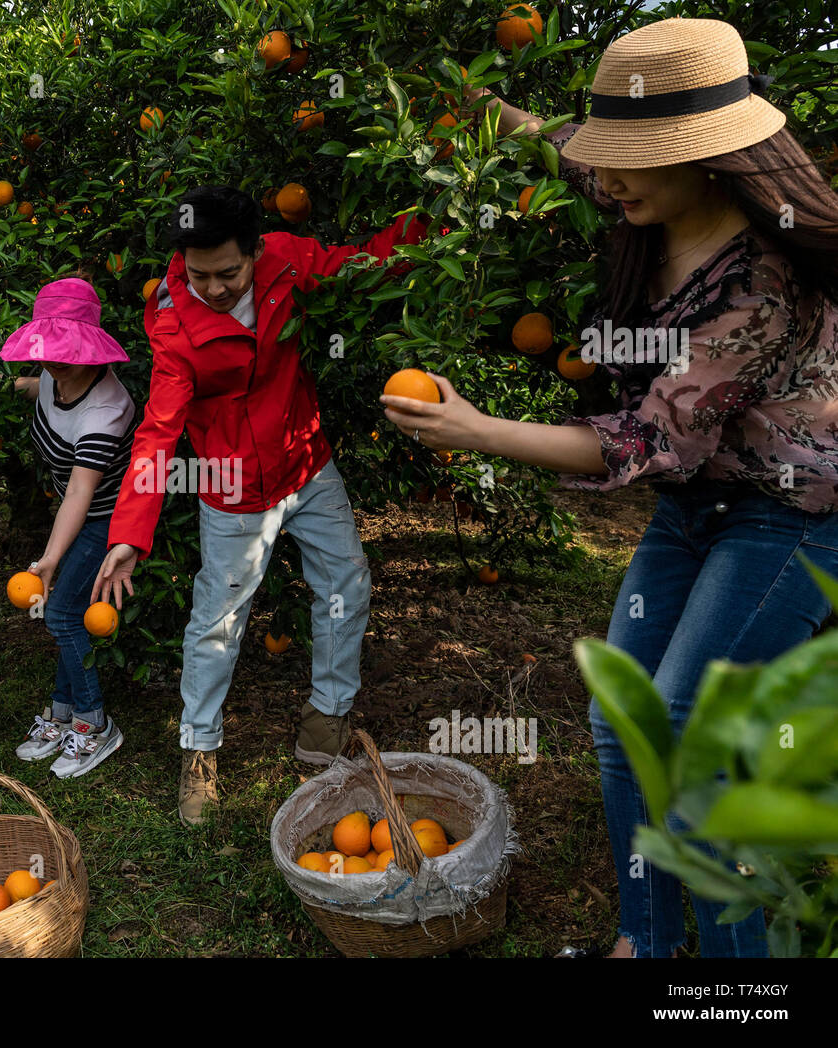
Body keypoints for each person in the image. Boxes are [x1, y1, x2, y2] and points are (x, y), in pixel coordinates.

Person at [382, 18, 838, 957]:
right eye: (611, 157)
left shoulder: (761, 281)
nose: (610, 174)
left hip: (790, 515)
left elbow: (645, 441)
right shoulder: (642, 194)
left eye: (634, 157)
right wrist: (469, 108)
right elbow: (555, 140)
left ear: (708, 160)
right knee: (617, 715)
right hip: (697, 506)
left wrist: (476, 433)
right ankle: (645, 938)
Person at [91, 185, 427, 825]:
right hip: (232, 486)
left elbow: (365, 262)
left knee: (347, 584)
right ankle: (199, 750)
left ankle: (326, 720)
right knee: (218, 620)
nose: (212, 288)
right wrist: (129, 534)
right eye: (197, 275)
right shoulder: (173, 323)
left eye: (227, 273)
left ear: (256, 252)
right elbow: (158, 433)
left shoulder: (288, 264)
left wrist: (445, 210)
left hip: (306, 461)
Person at [1, 277, 136, 778]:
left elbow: (82, 492)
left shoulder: (106, 409)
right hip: (74, 513)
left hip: (106, 518)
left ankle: (95, 723)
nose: (54, 359)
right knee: (66, 613)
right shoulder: (53, 375)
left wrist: (51, 558)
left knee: (58, 615)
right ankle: (62, 714)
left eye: (65, 349)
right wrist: (6, 385)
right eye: (48, 347)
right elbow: (41, 387)